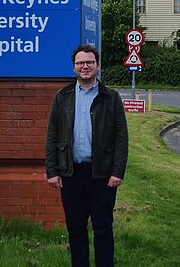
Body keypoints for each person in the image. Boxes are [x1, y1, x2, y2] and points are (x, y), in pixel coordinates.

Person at [45, 45, 128, 267]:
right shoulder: (62, 97)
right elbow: (52, 135)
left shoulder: (111, 97)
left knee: (102, 227)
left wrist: (117, 172)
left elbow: (121, 137)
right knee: (75, 228)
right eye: (80, 63)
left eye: (90, 62)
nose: (85, 67)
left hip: (101, 174)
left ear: (97, 66)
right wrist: (52, 172)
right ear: (74, 68)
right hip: (71, 174)